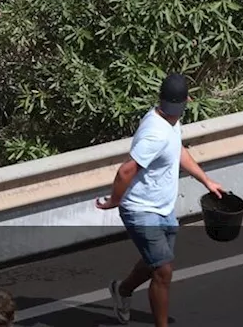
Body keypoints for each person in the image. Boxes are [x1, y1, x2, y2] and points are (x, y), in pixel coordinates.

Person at [95, 73, 225, 327]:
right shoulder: (155, 133)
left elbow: (177, 150)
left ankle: (122, 290)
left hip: (162, 207)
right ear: (188, 98)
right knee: (163, 271)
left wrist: (206, 180)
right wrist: (114, 201)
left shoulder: (170, 120)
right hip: (141, 209)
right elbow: (126, 171)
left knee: (155, 260)